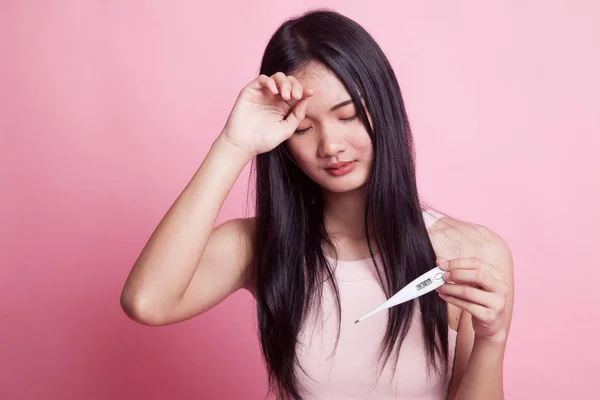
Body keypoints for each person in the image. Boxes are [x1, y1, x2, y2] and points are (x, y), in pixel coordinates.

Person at [120, 9, 514, 400]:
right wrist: (233, 144)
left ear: (385, 110)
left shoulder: (470, 253)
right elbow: (146, 302)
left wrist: (491, 340)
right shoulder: (261, 244)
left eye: (349, 116)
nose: (330, 146)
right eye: (304, 128)